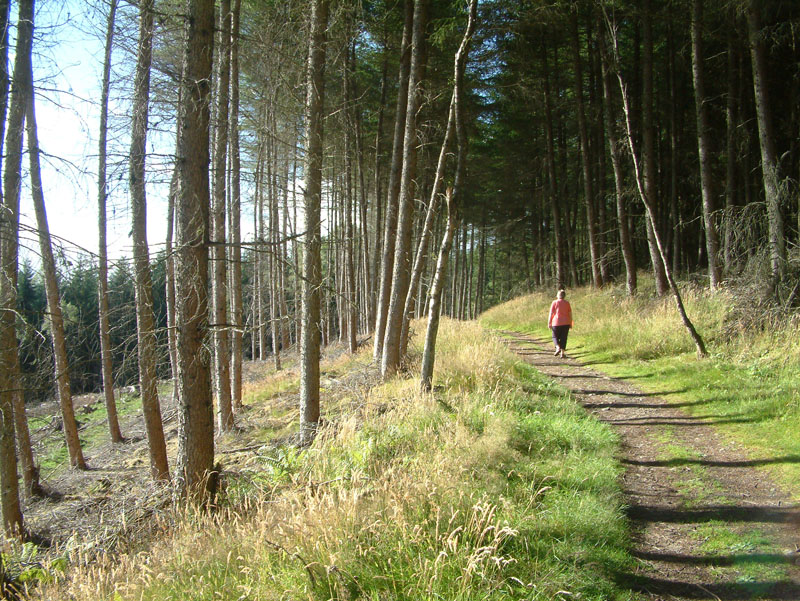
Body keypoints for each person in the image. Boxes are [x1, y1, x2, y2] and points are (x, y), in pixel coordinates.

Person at [548, 289, 572, 358]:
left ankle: (557, 347)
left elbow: (551, 313)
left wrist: (549, 322)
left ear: (558, 295)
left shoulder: (554, 302)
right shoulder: (567, 303)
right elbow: (570, 314)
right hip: (566, 322)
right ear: (564, 296)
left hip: (556, 322)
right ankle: (562, 353)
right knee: (564, 338)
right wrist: (570, 323)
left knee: (555, 336)